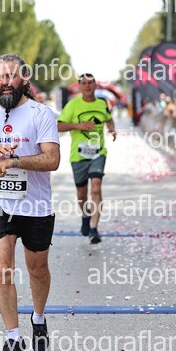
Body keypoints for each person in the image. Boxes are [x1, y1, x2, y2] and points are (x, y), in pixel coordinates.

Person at [0, 53, 60, 351]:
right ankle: (13, 338)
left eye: (10, 76)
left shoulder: (40, 113)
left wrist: (14, 161)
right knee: (2, 267)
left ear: (24, 78)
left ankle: (38, 318)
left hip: (35, 206)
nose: (5, 82)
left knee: (37, 270)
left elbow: (52, 159)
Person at [57, 73, 116, 244]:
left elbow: (108, 118)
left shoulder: (102, 103)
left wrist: (112, 129)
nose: (88, 86)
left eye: (90, 83)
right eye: (84, 83)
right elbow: (58, 126)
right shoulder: (73, 104)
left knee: (96, 188)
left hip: (98, 153)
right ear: (80, 86)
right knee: (81, 193)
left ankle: (94, 228)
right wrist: (78, 125)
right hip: (78, 155)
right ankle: (85, 215)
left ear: (95, 85)